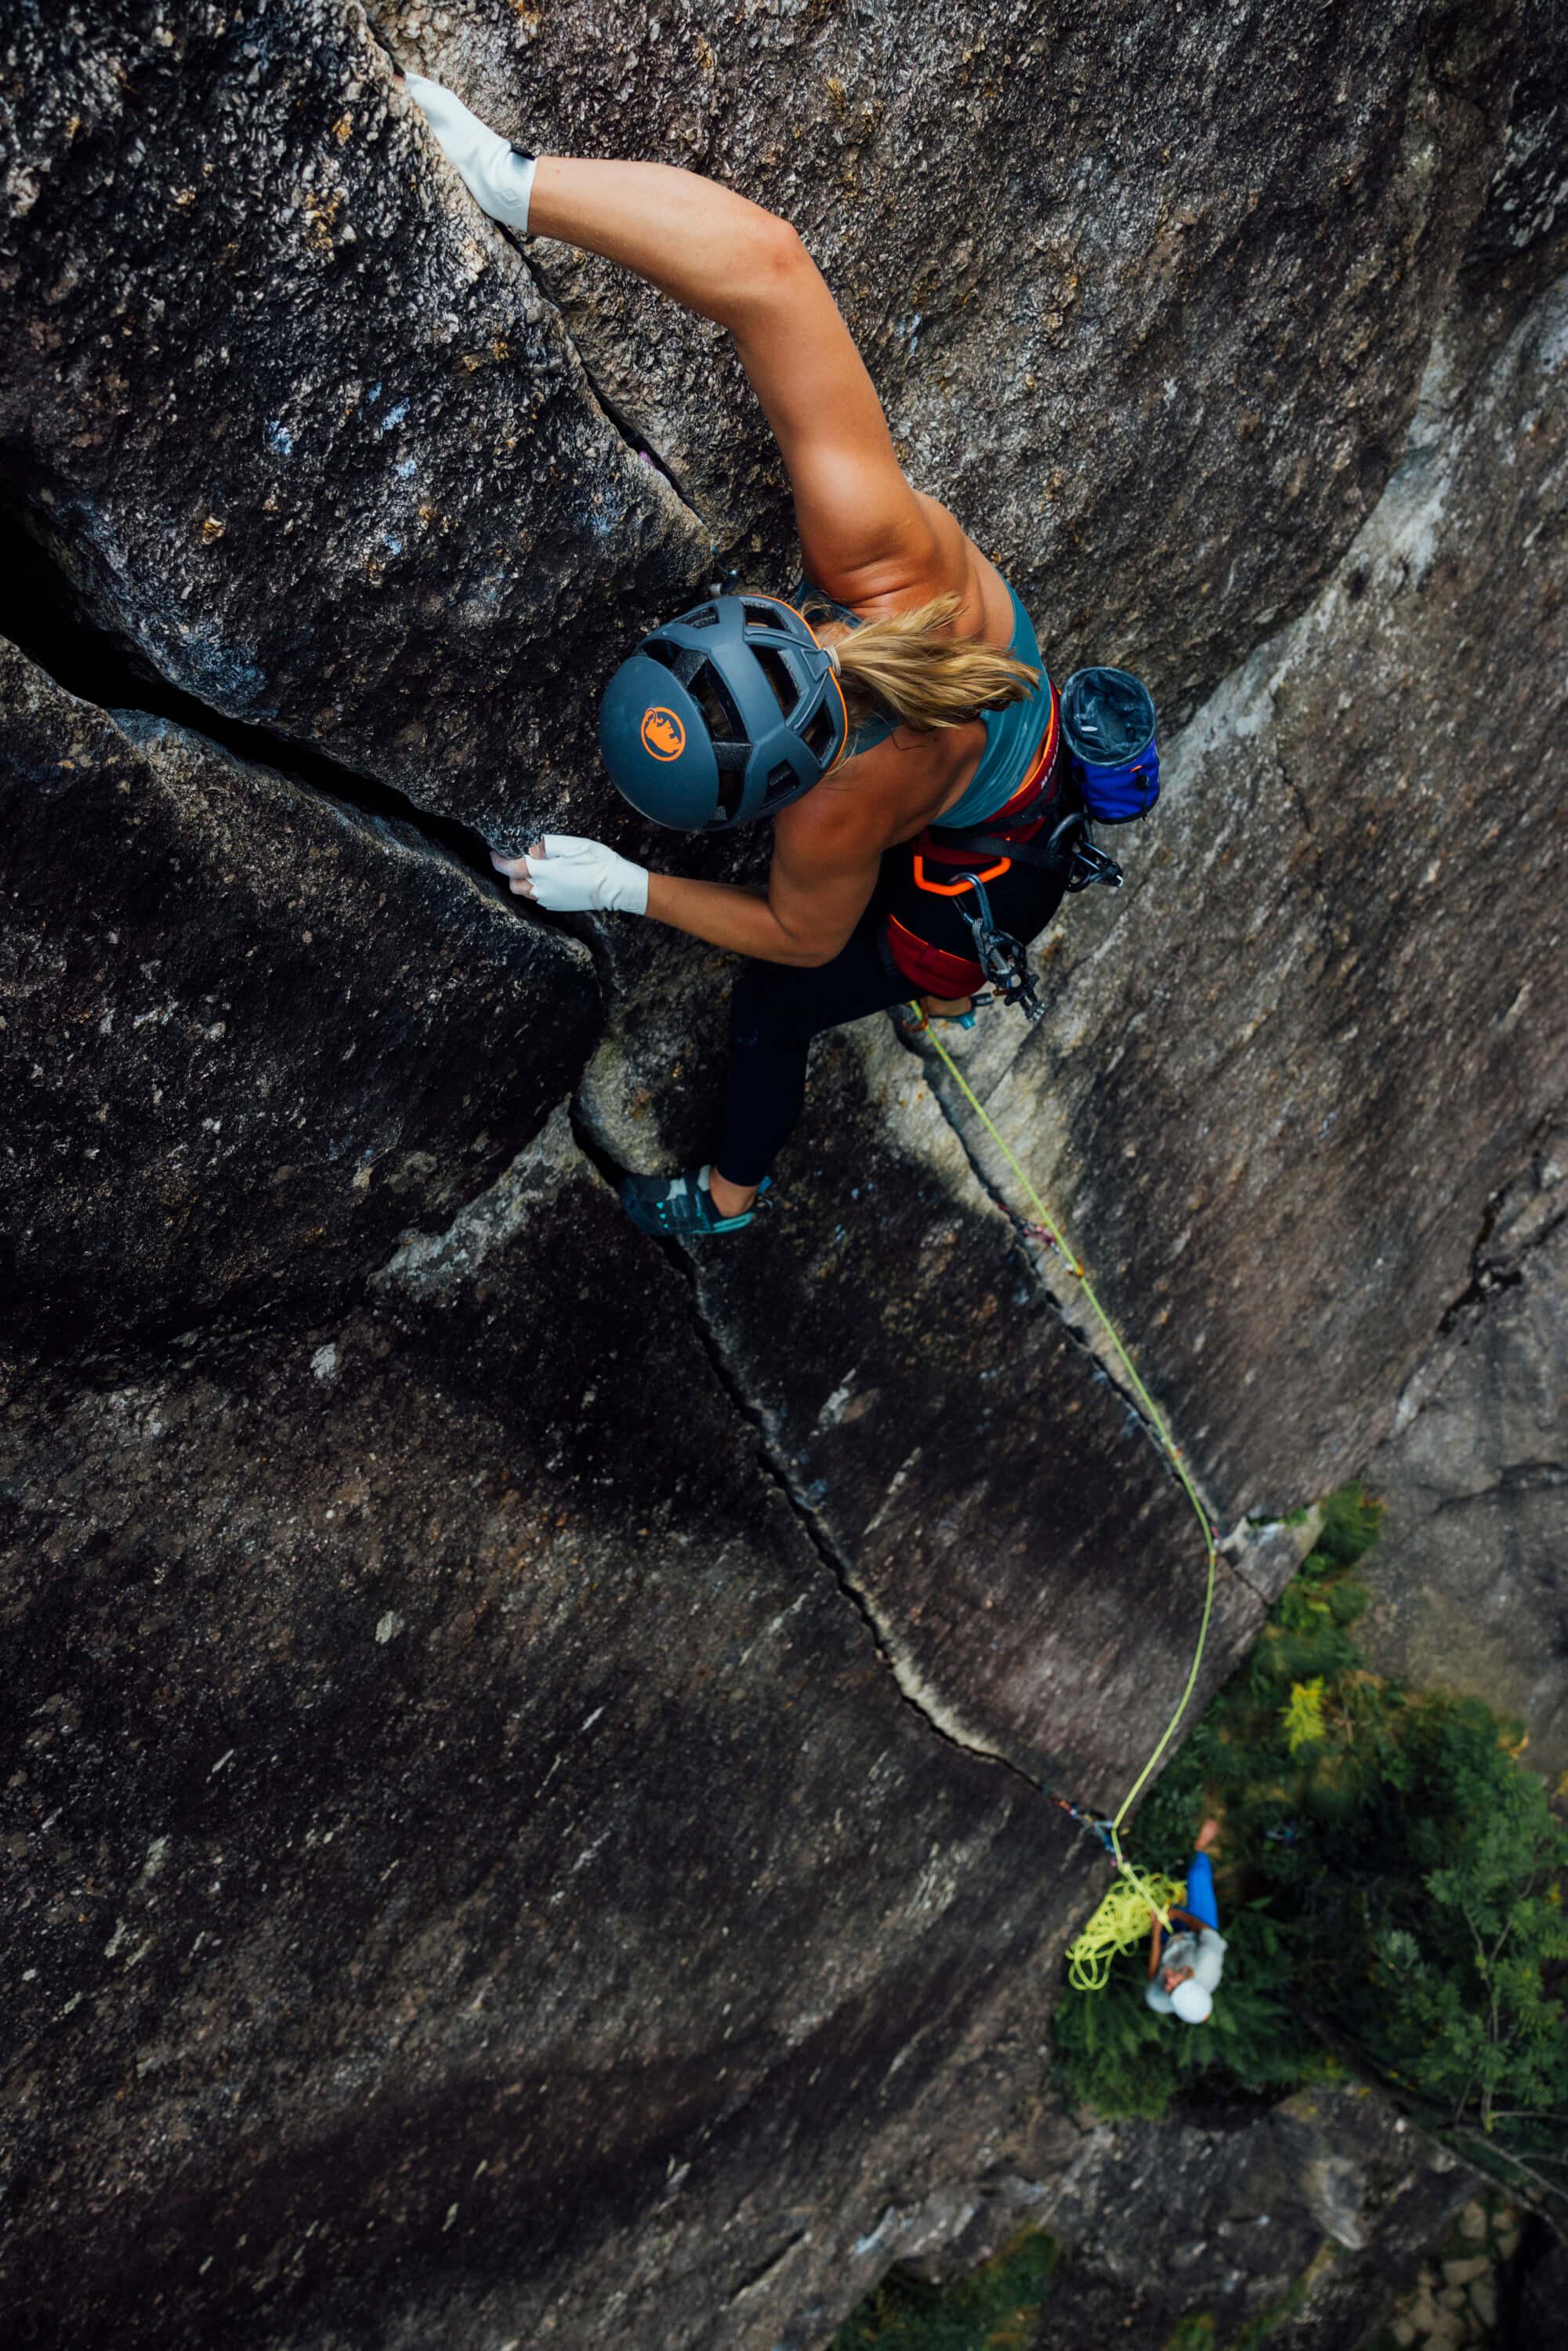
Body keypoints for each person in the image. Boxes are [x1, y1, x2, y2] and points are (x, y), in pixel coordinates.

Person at [404, 70, 1086, 1236]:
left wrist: (626, 889)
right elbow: (770, 271)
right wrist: (511, 182)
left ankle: (728, 1196)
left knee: (776, 1009)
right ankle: (945, 993)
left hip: (999, 857)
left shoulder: (832, 819)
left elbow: (800, 934)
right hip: (1026, 782)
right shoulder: (882, 554)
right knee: (907, 922)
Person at [1146, 1816, 1226, 2025]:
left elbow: (1153, 1975)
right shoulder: (1209, 1961)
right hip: (1199, 1931)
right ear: (1190, 1979)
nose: (1168, 1981)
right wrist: (1178, 1914)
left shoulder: (1158, 2000)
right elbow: (1204, 1929)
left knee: (1149, 1906)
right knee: (1197, 1874)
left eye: (1170, 1991)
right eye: (1177, 1983)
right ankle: (1200, 1846)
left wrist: (1156, 1933)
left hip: (1169, 1942)